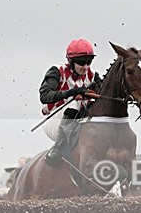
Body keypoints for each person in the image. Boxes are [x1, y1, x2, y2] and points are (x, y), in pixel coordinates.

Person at [39, 38, 100, 166]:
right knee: (75, 102)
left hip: (79, 120)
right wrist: (72, 92)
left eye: (89, 62)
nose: (86, 67)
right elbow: (44, 96)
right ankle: (57, 148)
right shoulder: (57, 71)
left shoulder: (93, 75)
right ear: (70, 61)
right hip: (53, 120)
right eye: (82, 62)